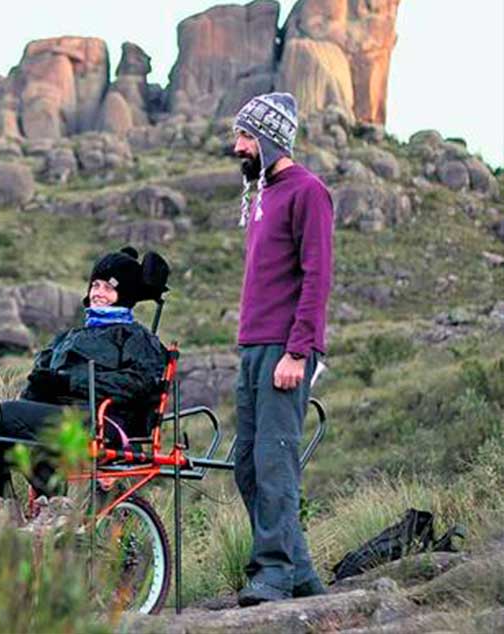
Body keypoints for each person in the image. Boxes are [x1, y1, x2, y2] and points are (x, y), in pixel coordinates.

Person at [230, 92, 334, 606]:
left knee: (274, 461)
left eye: (246, 137)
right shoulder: (262, 194)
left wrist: (298, 352)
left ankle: (273, 573)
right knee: (246, 463)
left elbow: (317, 278)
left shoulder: (307, 191)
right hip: (252, 347)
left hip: (284, 349)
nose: (237, 147)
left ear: (270, 140)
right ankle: (303, 575)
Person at [0, 247, 168, 503]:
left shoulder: (136, 337)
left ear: (123, 294)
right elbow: (39, 380)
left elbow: (140, 384)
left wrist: (71, 381)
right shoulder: (70, 336)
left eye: (107, 287)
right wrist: (39, 385)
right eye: (95, 285)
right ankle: (1, 504)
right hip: (58, 415)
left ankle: (53, 496)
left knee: (8, 418)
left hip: (102, 422)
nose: (98, 293)